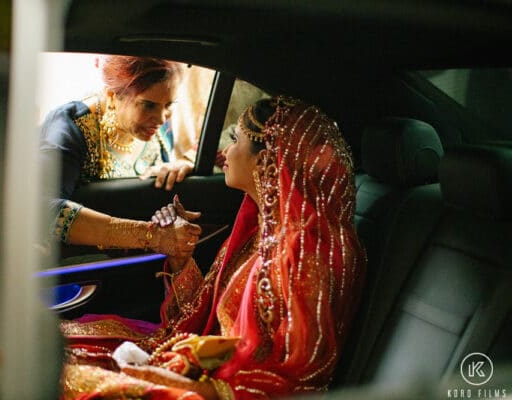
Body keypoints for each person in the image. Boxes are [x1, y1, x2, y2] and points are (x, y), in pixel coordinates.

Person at [59, 96, 366, 399]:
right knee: (50, 348)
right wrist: (180, 256)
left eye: (236, 140)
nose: (225, 152)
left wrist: (188, 385)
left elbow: (298, 380)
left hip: (223, 389)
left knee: (54, 376)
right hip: (203, 366)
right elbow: (206, 319)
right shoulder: (263, 231)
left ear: (264, 161)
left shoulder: (305, 253)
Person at [40, 55, 200, 253]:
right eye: (148, 105)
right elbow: (41, 208)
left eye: (168, 105)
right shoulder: (71, 128)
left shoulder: (158, 137)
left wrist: (179, 168)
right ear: (111, 96)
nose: (161, 119)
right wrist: (150, 236)